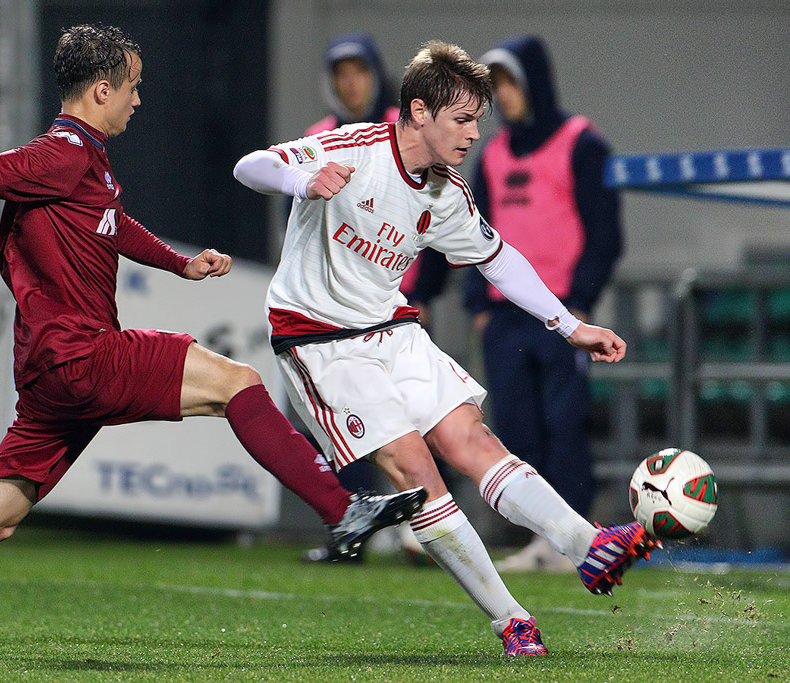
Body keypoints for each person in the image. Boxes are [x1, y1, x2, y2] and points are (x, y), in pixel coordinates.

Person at [0, 24, 427, 657]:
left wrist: (182, 265)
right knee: (238, 383)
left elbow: (114, 225)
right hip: (81, 355)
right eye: (132, 88)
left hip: (47, 375)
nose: (138, 100)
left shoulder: (83, 159)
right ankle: (342, 510)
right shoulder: (58, 154)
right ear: (99, 92)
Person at [234, 40, 657, 656]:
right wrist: (303, 175)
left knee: (471, 439)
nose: (474, 133)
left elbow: (499, 260)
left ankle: (587, 546)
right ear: (419, 111)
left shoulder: (446, 192)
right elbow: (250, 166)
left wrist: (569, 326)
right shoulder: (352, 148)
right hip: (320, 341)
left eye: (478, 119)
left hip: (393, 330)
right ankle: (510, 619)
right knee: (416, 467)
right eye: (462, 118)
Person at [462, 36, 623, 572]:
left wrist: (580, 300)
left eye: (510, 82)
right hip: (505, 318)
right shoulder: (493, 153)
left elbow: (605, 234)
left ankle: (577, 535)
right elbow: (471, 231)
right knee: (516, 426)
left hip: (561, 314)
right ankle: (540, 542)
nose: (504, 96)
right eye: (496, 86)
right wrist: (476, 304)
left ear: (535, 81)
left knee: (564, 422)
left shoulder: (582, 143)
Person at [299, 34, 447, 563]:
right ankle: (349, 529)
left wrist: (425, 292)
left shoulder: (406, 129)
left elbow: (436, 216)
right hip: (334, 311)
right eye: (341, 72)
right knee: (340, 419)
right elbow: (295, 222)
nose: (350, 82)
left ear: (375, 74)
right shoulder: (319, 136)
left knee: (416, 410)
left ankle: (427, 527)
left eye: (359, 70)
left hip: (394, 306)